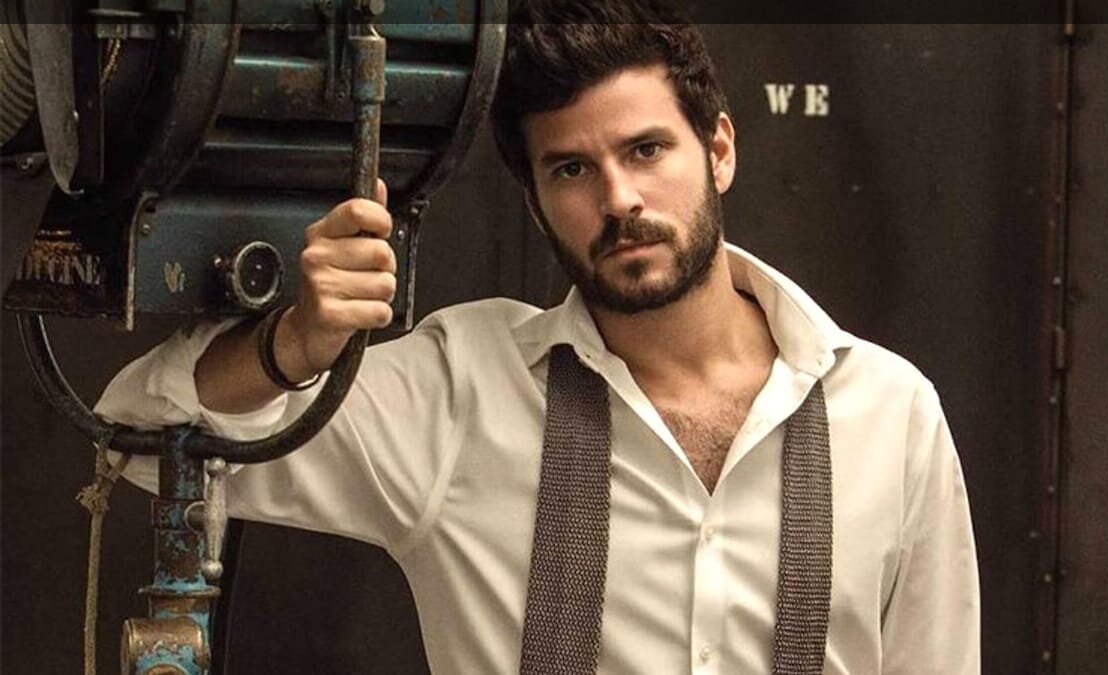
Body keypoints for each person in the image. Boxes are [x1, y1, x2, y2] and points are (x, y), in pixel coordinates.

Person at [97, 1, 981, 673]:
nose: (619, 199)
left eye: (646, 150)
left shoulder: (889, 412)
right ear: (536, 202)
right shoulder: (464, 394)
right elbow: (139, 434)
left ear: (718, 150)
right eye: (572, 169)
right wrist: (297, 340)